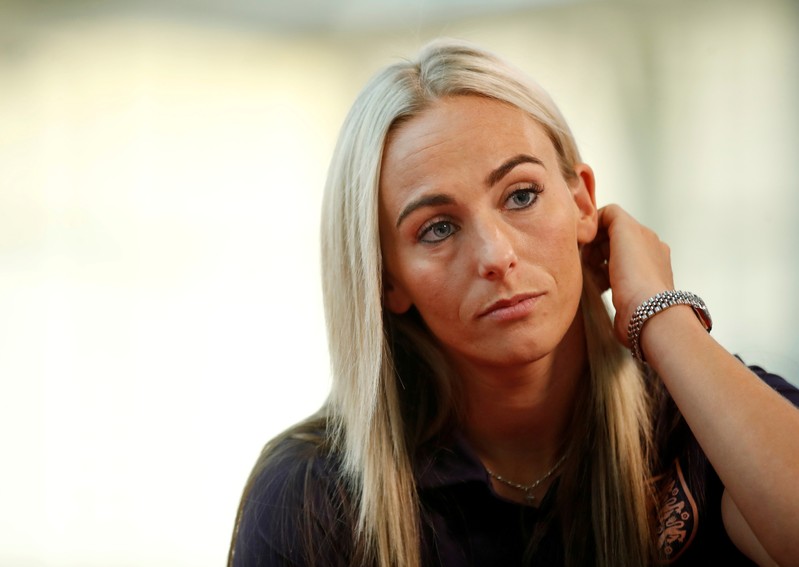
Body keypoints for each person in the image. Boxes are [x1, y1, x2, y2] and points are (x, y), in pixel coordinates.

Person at [228, 39, 799, 567]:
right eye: (437, 229)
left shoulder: (699, 430)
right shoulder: (312, 497)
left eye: (521, 195)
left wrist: (662, 316)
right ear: (387, 281)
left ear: (582, 203)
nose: (495, 255)